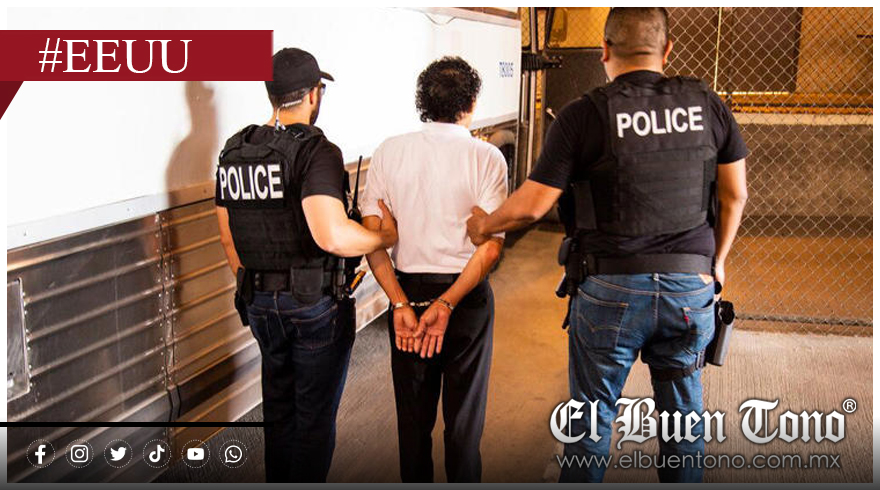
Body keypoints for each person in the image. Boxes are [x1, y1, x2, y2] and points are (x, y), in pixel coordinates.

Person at [467, 7, 749, 483]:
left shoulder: (584, 114)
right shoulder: (707, 104)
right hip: (690, 286)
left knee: (592, 419)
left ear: (604, 50)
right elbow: (734, 195)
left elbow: (533, 205)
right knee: (683, 421)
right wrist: (716, 262)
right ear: (667, 49)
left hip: (610, 288)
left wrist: (484, 225)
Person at [214, 47, 397, 482]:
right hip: (314, 306)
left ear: (272, 94)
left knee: (278, 413)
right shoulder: (317, 151)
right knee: (313, 420)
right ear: (315, 94)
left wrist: (259, 287)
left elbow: (227, 236)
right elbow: (331, 235)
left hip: (258, 302)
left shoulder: (235, 149)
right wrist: (383, 238)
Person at [360, 56, 508, 482]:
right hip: (466, 300)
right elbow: (490, 250)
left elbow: (373, 241)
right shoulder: (487, 157)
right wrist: (448, 303)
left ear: (421, 101)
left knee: (413, 425)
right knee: (464, 427)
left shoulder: (389, 151)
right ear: (472, 103)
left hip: (408, 298)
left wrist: (399, 303)